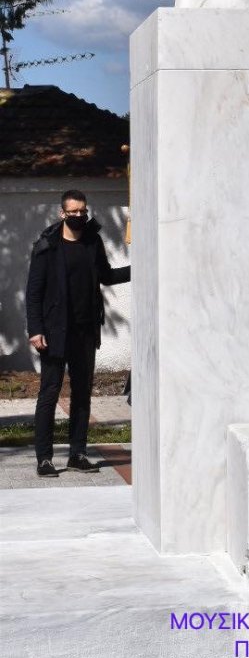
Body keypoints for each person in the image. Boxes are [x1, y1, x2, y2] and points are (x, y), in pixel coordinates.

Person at [25, 191, 132, 477]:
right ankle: (45, 459)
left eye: (82, 211)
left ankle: (77, 454)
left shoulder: (91, 241)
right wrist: (35, 329)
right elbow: (33, 293)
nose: (78, 216)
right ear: (62, 213)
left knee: (82, 394)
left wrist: (138, 269)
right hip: (54, 332)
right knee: (49, 393)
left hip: (85, 331)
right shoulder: (47, 245)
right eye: (72, 212)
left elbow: (106, 276)